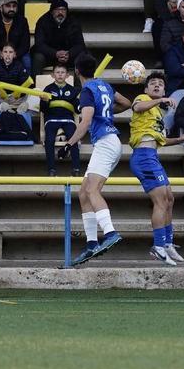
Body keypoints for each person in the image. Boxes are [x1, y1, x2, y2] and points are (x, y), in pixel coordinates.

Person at [64, 53, 131, 266]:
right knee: (83, 192)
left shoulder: (86, 91)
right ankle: (92, 243)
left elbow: (85, 122)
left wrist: (68, 144)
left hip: (105, 142)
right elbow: (127, 103)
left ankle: (110, 233)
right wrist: (108, 113)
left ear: (76, 71)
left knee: (92, 191)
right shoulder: (104, 85)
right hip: (111, 141)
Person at [127, 71, 184, 265]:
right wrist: (160, 99)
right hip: (143, 157)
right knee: (161, 201)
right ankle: (158, 245)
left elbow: (160, 141)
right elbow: (137, 107)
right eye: (152, 83)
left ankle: (168, 243)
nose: (156, 85)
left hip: (152, 156)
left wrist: (180, 139)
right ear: (146, 89)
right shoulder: (143, 99)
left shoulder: (158, 113)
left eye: (160, 84)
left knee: (169, 199)